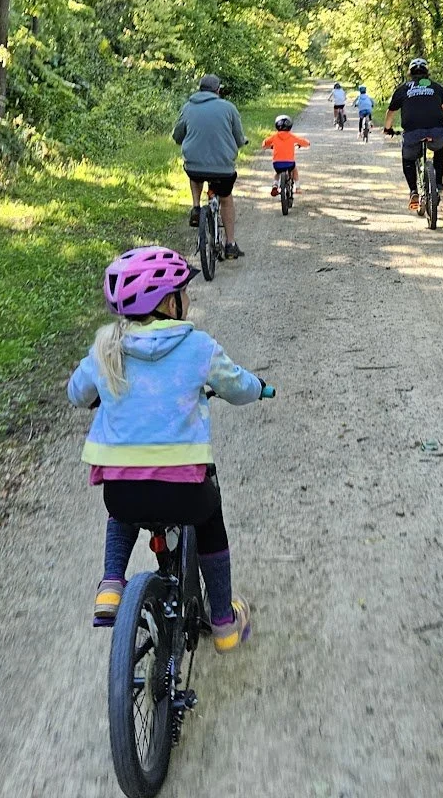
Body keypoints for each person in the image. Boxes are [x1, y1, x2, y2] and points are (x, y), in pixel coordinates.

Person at [68, 246, 271, 650]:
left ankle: (111, 584)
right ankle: (224, 624)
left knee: (123, 509)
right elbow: (237, 386)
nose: (188, 298)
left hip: (123, 492)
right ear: (167, 301)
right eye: (183, 290)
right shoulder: (198, 346)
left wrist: (102, 393)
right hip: (185, 492)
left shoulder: (106, 347)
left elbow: (77, 394)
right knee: (211, 520)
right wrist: (260, 388)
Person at [172, 74, 246, 259]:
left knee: (194, 172)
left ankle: (196, 207)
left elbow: (177, 136)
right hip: (223, 168)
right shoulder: (229, 108)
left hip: (195, 166)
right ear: (218, 90)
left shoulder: (188, 107)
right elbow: (238, 138)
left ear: (199, 89)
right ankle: (230, 244)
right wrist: (240, 143)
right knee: (226, 198)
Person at [382, 58, 443, 214]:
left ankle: (413, 191)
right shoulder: (435, 87)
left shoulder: (403, 89)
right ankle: (438, 184)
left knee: (408, 158)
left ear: (410, 73)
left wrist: (387, 128)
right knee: (439, 150)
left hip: (412, 133)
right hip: (436, 131)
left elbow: (391, 112)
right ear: (427, 72)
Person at [262, 114, 311, 196]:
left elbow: (264, 143)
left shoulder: (274, 136)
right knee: (294, 170)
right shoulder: (292, 136)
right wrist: (306, 143)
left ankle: (275, 185)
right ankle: (297, 187)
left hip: (277, 164)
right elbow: (304, 142)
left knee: (277, 173)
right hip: (289, 163)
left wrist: (270, 146)